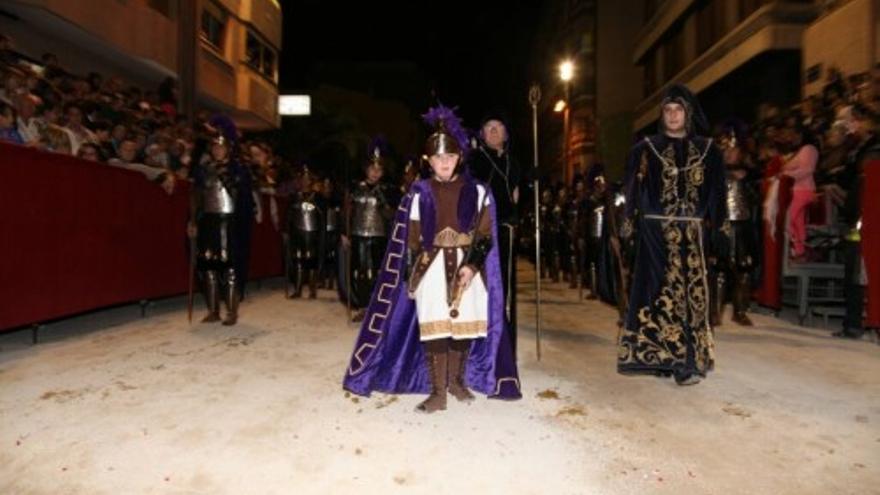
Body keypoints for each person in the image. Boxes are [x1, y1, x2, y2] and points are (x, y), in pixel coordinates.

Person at [343, 105, 520, 412]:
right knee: (436, 328)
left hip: (467, 267)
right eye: (438, 158)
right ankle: (438, 392)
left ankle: (457, 381)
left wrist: (472, 266)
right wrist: (413, 272)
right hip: (432, 267)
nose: (445, 163)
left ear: (459, 158)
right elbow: (410, 237)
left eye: (450, 157)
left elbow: (484, 234)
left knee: (463, 327)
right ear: (428, 162)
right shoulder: (419, 192)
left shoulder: (478, 192)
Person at [617, 84, 726, 386]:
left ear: (688, 114)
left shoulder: (708, 150)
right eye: (668, 110)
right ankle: (662, 355)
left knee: (691, 297)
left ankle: (687, 362)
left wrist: (720, 227)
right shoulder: (645, 148)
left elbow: (718, 192)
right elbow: (632, 189)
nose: (673, 115)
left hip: (691, 231)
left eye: (678, 110)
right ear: (662, 115)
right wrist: (628, 221)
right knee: (658, 293)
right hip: (655, 231)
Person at [188, 120, 254, 325]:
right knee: (208, 265)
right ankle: (213, 310)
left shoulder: (238, 170)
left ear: (228, 149)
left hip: (229, 221)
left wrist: (229, 177)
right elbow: (197, 197)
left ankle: (231, 311)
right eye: (215, 147)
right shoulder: (203, 170)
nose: (218, 150)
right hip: (208, 220)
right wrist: (192, 220)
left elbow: (244, 197)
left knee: (229, 266)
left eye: (221, 147)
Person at [467, 114, 522, 352]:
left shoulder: (513, 161)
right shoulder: (476, 160)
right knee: (483, 284)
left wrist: (530, 183)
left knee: (505, 286)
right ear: (482, 134)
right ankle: (480, 344)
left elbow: (518, 197)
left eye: (498, 127)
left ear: (506, 134)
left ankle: (505, 344)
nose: (493, 131)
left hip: (507, 229)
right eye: (488, 127)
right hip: (484, 229)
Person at [343, 145, 395, 322]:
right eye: (372, 169)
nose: (375, 173)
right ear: (366, 169)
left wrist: (382, 200)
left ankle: (375, 306)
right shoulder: (356, 188)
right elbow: (348, 212)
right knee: (359, 271)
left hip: (378, 235)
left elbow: (390, 215)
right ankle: (362, 306)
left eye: (379, 170)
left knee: (376, 271)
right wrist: (345, 233)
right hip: (358, 234)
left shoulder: (387, 190)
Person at [285, 166, 325, 299]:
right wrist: (286, 230)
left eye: (307, 179)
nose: (304, 181)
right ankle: (297, 289)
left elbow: (321, 216)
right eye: (302, 178)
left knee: (311, 259)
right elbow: (289, 215)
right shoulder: (294, 196)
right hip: (297, 230)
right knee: (297, 259)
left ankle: (312, 289)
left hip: (312, 231)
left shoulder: (318, 197)